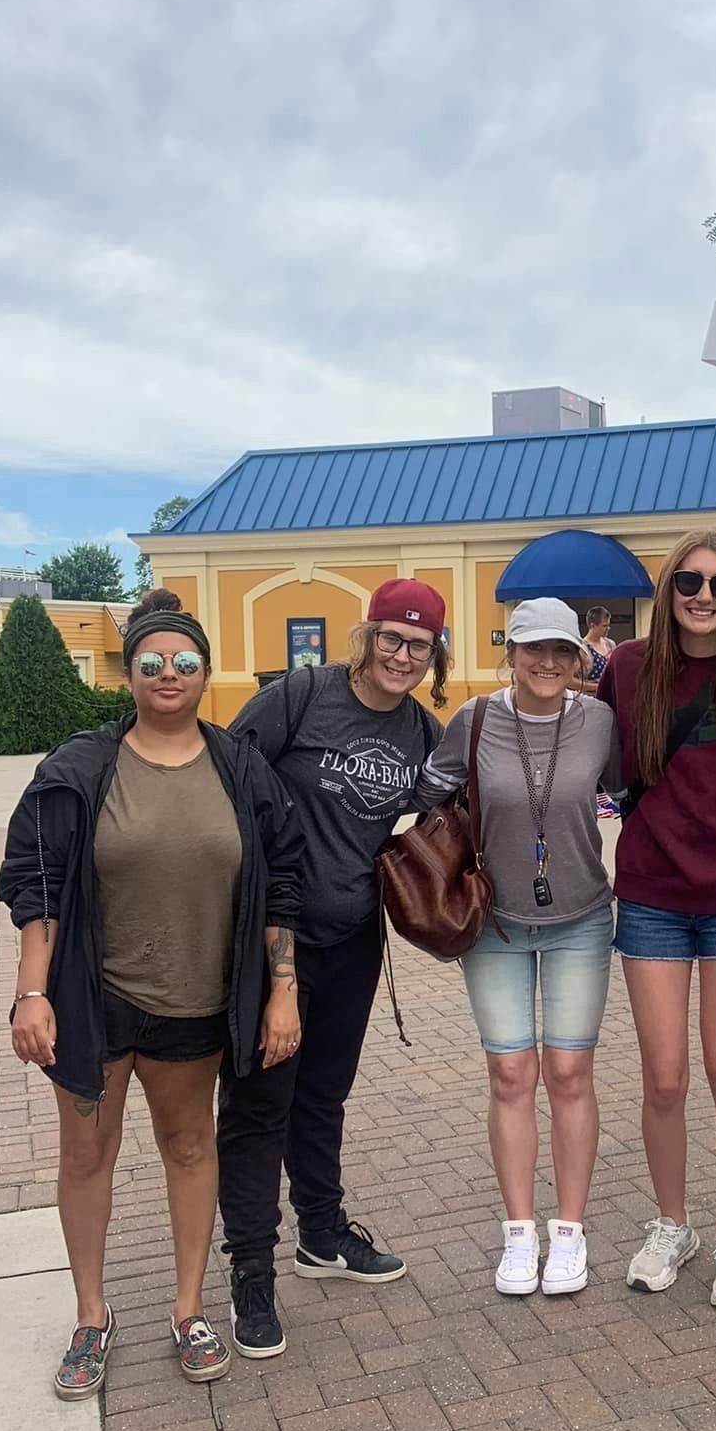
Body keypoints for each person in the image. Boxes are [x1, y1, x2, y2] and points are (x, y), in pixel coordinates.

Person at [0, 589, 303, 1398]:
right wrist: (33, 992)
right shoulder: (78, 770)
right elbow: (36, 887)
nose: (170, 674)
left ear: (207, 674)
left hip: (195, 1001)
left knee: (190, 1145)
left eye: (186, 663)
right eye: (152, 663)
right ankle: (92, 1316)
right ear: (128, 673)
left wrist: (282, 990)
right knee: (88, 1153)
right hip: (94, 1003)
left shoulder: (242, 769)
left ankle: (188, 1308)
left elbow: (284, 885)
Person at [216, 580, 447, 1358]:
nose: (402, 655)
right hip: (271, 937)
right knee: (257, 1104)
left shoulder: (422, 730)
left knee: (321, 1097)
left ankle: (320, 1233)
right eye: (391, 637)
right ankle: (252, 1271)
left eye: (418, 645)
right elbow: (225, 775)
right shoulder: (303, 696)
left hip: (353, 940)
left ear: (432, 655)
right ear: (366, 636)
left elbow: (451, 814)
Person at [598, 531, 716, 1308]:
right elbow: (593, 757)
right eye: (689, 582)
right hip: (650, 893)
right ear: (667, 587)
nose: (704, 596)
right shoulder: (630, 668)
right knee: (665, 1075)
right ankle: (671, 1223)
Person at [416, 599, 621, 1295]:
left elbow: (633, 789)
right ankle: (518, 1232)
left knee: (568, 1073)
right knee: (510, 1077)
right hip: (495, 923)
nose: (548, 663)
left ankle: (569, 1232)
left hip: (582, 917)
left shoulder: (599, 722)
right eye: (534, 649)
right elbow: (430, 791)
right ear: (511, 652)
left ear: (578, 658)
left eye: (563, 652)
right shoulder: (473, 721)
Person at [583, 607, 617, 690]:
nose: (608, 628)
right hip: (592, 696)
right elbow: (570, 681)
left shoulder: (610, 644)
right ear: (592, 626)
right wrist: (597, 687)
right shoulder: (582, 648)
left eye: (609, 625)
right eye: (605, 626)